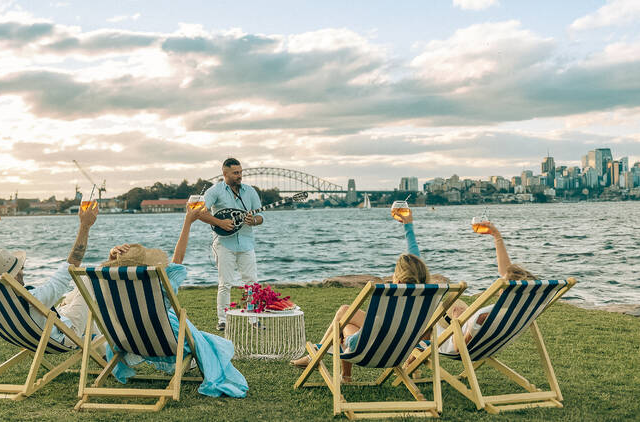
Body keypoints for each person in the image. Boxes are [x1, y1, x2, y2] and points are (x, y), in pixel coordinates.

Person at [104, 205, 249, 398]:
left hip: (125, 340)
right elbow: (178, 259)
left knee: (200, 337)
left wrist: (112, 255)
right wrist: (188, 222)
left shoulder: (107, 283)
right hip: (165, 340)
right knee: (203, 341)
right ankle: (201, 361)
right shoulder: (157, 283)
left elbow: (104, 269)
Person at [290, 208, 427, 382]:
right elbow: (415, 256)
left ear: (399, 279)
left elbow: (377, 328)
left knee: (343, 315)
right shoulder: (426, 292)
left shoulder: (392, 296)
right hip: (401, 350)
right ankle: (338, 371)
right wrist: (408, 225)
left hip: (369, 348)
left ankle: (318, 356)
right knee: (347, 318)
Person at [0, 205, 99, 346]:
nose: (23, 271)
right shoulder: (32, 300)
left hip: (31, 336)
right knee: (90, 279)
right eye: (21, 268)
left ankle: (104, 354)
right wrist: (85, 226)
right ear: (13, 276)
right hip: (66, 335)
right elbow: (71, 265)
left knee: (75, 297)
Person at [436, 221, 537, 354]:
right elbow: (506, 270)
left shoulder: (484, 315)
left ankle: (410, 362)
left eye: (503, 280)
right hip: (486, 346)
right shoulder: (521, 309)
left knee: (425, 322)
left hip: (447, 341)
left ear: (503, 290)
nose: (501, 278)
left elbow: (458, 346)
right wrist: (496, 235)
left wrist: (457, 320)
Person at [199, 158, 264, 331]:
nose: (239, 176)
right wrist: (219, 223)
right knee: (225, 282)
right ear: (225, 173)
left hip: (246, 243)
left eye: (241, 172)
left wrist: (254, 221)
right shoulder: (215, 191)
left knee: (251, 282)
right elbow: (198, 212)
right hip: (223, 243)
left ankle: (253, 318)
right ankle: (223, 320)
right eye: (235, 173)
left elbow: (261, 217)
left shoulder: (250, 191)